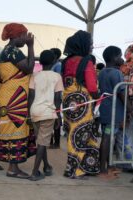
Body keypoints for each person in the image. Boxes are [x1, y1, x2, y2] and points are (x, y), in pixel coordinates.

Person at [0, 23, 36, 178]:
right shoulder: (13, 51)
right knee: (14, 129)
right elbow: (30, 67)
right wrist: (31, 46)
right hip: (13, 97)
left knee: (6, 129)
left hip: (9, 94)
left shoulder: (5, 52)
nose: (26, 38)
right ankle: (13, 168)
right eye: (24, 35)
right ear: (16, 36)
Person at [62, 30, 100, 179]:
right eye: (90, 44)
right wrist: (98, 96)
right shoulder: (87, 61)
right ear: (83, 45)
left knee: (75, 132)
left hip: (69, 100)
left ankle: (88, 166)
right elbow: (91, 86)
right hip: (83, 101)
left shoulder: (66, 61)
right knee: (81, 134)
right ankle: (74, 170)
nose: (92, 46)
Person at [28, 50, 63, 181]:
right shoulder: (56, 76)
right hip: (48, 113)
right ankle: (34, 172)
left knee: (41, 142)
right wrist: (58, 115)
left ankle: (47, 166)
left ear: (40, 62)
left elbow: (30, 96)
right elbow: (58, 98)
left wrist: (28, 114)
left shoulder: (34, 75)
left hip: (35, 111)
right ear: (55, 61)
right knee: (43, 143)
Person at [98, 46, 132, 180]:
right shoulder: (117, 73)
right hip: (113, 112)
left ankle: (108, 166)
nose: (122, 58)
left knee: (107, 138)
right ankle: (103, 170)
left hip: (105, 110)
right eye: (119, 56)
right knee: (107, 139)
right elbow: (121, 93)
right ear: (113, 58)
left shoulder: (102, 72)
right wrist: (130, 108)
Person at [49, 48, 62, 149]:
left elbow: (58, 80)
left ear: (56, 56)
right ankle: (51, 141)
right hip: (50, 95)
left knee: (56, 116)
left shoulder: (58, 66)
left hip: (56, 95)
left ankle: (56, 143)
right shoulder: (53, 65)